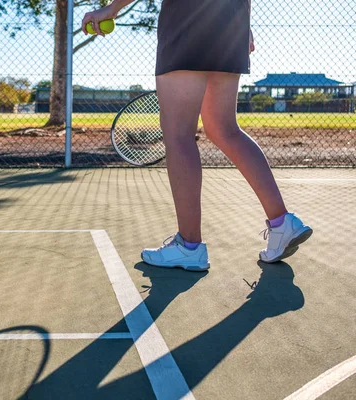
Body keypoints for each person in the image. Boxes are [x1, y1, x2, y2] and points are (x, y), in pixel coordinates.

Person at [82, 0, 312, 271]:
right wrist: (243, 25)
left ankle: (189, 246)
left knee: (179, 134)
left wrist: (112, 8)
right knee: (224, 129)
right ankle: (282, 222)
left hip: (188, 17)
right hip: (230, 23)